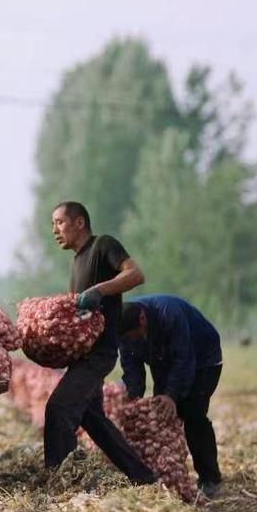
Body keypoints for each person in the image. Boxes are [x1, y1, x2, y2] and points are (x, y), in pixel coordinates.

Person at [45, 201, 157, 484]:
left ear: (79, 222)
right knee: (94, 421)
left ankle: (60, 481)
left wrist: (99, 290)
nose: (54, 230)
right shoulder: (76, 261)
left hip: (100, 353)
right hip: (84, 354)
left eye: (59, 222)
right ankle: (144, 478)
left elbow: (135, 274)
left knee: (59, 409)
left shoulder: (102, 246)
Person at [119, 295, 224, 499]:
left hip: (203, 360)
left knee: (193, 415)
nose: (131, 340)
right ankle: (167, 478)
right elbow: (131, 366)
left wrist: (172, 395)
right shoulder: (124, 330)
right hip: (164, 361)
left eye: (134, 336)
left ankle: (210, 479)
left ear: (142, 319)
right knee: (161, 417)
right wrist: (133, 398)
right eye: (127, 339)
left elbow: (184, 358)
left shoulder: (169, 314)